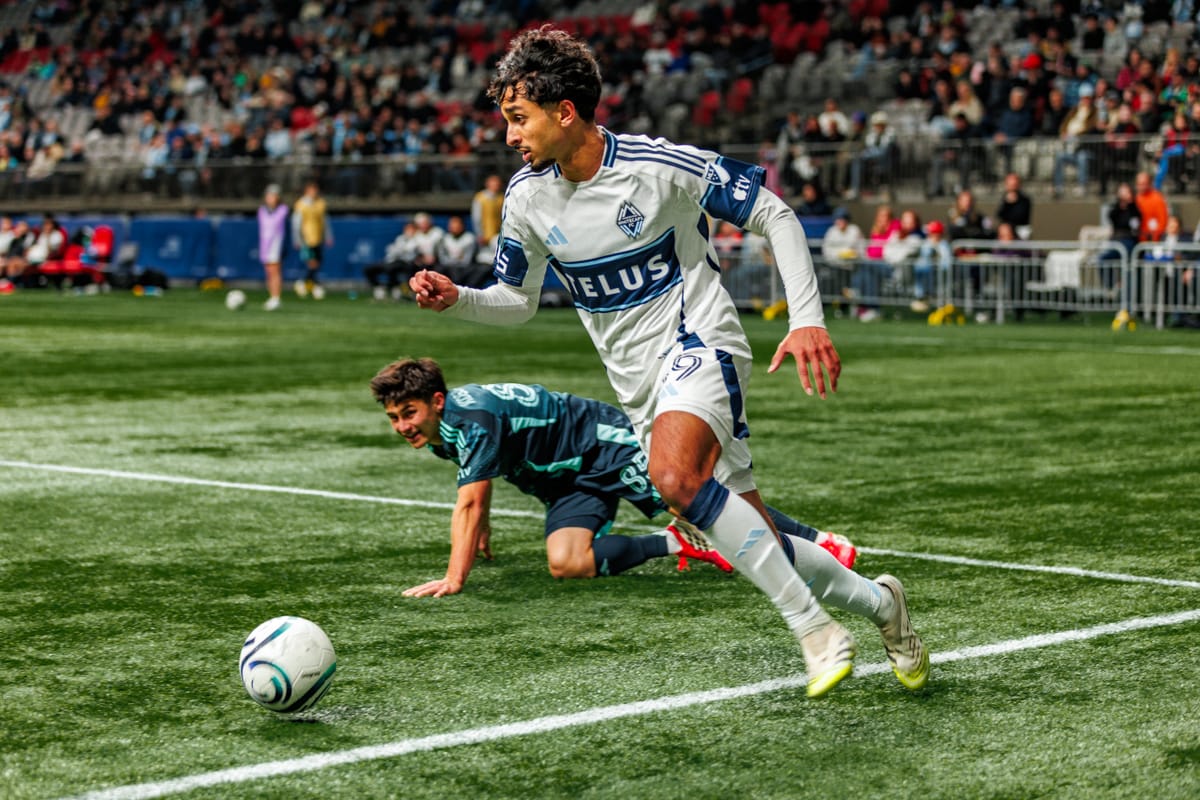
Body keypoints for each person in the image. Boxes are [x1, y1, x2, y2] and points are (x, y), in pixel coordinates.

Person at [409, 27, 928, 698]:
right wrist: (459, 299)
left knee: (673, 477)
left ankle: (817, 630)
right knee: (747, 533)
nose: (509, 135)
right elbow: (517, 300)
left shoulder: (658, 167)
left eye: (518, 117)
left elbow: (775, 213)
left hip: (701, 345)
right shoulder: (527, 200)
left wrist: (807, 320)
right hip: (640, 390)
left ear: (565, 110)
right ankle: (884, 606)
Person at [370, 357, 857, 596]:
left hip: (600, 444)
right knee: (566, 563)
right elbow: (478, 479)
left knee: (694, 499)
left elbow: (472, 500)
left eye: (408, 413)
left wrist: (456, 578)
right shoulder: (443, 429)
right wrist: (483, 534)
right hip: (565, 482)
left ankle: (822, 542)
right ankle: (676, 544)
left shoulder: (469, 419)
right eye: (394, 418)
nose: (402, 427)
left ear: (437, 401)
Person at [1052, 84, 1099, 198]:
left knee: (1082, 157)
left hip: (1087, 148)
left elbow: (1091, 126)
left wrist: (1076, 134)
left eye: (1088, 98)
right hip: (1071, 147)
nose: (1085, 100)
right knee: (1060, 156)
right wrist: (1064, 133)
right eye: (1084, 97)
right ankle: (1058, 187)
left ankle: (1082, 186)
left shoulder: (1095, 111)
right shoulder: (1074, 110)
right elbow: (1064, 124)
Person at [291, 178, 331, 300]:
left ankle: (310, 285)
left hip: (318, 238)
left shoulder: (320, 203)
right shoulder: (301, 204)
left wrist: (328, 236)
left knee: (317, 263)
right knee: (312, 263)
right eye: (312, 190)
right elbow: (296, 224)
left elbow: (325, 222)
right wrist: (297, 239)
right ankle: (307, 284)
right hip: (306, 239)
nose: (314, 192)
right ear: (307, 191)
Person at [365, 222, 420, 301]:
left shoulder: (417, 240)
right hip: (391, 261)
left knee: (391, 268)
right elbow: (391, 251)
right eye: (407, 229)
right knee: (368, 269)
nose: (409, 231)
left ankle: (396, 289)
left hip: (405, 263)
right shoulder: (400, 238)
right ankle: (379, 287)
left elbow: (408, 253)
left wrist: (400, 251)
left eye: (411, 229)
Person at [257, 183, 288, 311]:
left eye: (273, 195)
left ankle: (276, 297)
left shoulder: (283, 210)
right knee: (269, 272)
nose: (271, 198)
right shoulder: (262, 210)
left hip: (276, 243)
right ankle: (272, 296)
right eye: (269, 195)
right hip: (264, 244)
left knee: (275, 271)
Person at [471, 174, 505, 248]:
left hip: (499, 235)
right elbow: (476, 218)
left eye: (498, 182)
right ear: (487, 184)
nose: (496, 184)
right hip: (485, 236)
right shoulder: (480, 198)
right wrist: (480, 235)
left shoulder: (502, 198)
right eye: (494, 182)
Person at [995, 172, 1033, 238]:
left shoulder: (1025, 200)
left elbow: (1019, 217)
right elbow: (999, 215)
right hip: (1005, 229)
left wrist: (1011, 202)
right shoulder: (1004, 199)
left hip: (1019, 231)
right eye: (1009, 185)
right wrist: (1007, 202)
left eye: (1014, 185)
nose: (1012, 187)